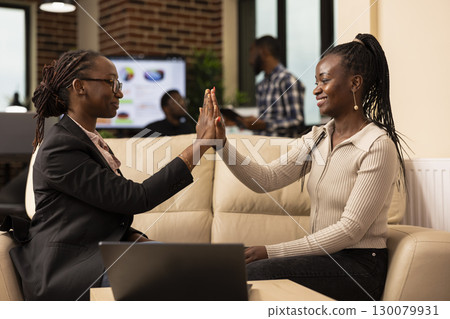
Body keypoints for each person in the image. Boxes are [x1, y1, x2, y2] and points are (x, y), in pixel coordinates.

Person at [5, 50, 220, 301]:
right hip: (69, 274)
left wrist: (135, 239)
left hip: (95, 260)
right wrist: (200, 146)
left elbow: (98, 212)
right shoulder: (60, 147)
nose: (119, 92)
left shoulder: (84, 139)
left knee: (198, 270)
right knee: (192, 280)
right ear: (80, 86)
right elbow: (136, 198)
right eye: (112, 83)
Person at [213, 33, 406, 301]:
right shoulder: (318, 137)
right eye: (317, 81)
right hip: (323, 259)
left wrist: (271, 251)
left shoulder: (376, 145)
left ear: (355, 83)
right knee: (233, 269)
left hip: (360, 268)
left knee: (250, 273)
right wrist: (220, 143)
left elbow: (350, 229)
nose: (316, 89)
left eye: (325, 80)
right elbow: (265, 179)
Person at [240, 35, 305, 137]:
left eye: (252, 51)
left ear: (264, 51)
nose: (250, 60)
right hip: (261, 147)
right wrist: (241, 121)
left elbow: (297, 121)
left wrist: (265, 125)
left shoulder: (287, 80)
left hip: (283, 150)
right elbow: (267, 118)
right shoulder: (261, 85)